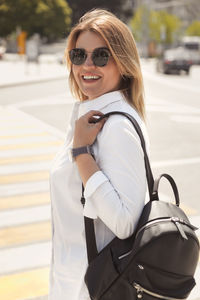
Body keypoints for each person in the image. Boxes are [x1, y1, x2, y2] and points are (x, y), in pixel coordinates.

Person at [49, 8, 149, 300]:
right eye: (79, 55)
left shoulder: (115, 126)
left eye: (101, 56)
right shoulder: (90, 116)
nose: (87, 65)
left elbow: (125, 222)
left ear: (123, 62)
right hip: (74, 281)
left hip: (92, 288)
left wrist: (82, 154)